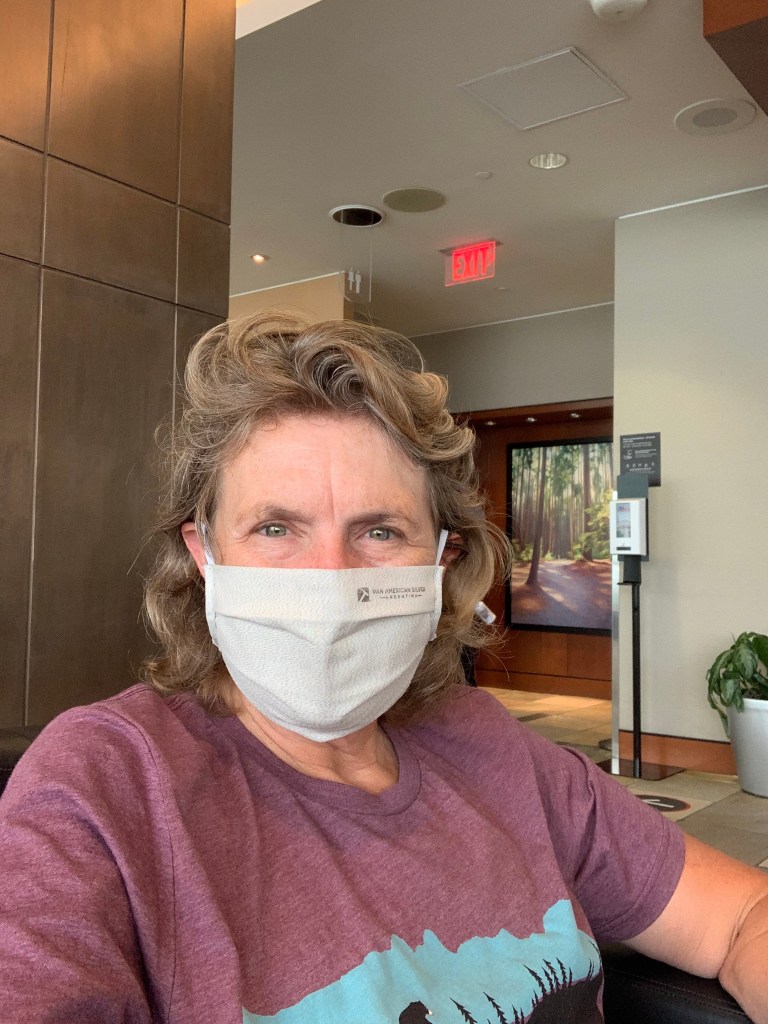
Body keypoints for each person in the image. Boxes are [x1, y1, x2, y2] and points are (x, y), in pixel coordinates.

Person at [1, 313, 766, 1024]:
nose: (330, 579)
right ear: (206, 554)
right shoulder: (103, 788)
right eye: (276, 528)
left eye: (380, 532)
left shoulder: (493, 750)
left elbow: (741, 917)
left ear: (442, 561)